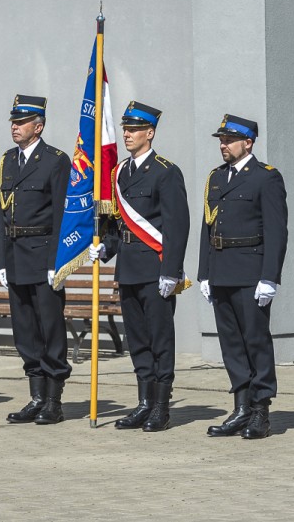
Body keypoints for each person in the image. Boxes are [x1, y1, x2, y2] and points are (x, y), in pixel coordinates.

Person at [89, 101, 190, 432]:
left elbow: (177, 226)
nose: (127, 134)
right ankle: (144, 403)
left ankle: (161, 407)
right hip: (129, 268)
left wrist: (171, 271)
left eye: (134, 129)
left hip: (155, 268)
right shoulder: (120, 172)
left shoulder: (165, 172)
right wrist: (106, 247)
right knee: (138, 340)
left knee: (160, 340)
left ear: (150, 133)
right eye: (125, 129)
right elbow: (119, 225)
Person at [198, 114, 288, 439]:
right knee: (231, 343)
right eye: (221, 140)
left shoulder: (265, 177)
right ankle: (241, 408)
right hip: (221, 269)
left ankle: (260, 410)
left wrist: (270, 277)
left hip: (251, 272)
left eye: (229, 140)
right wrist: (204, 272)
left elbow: (277, 231)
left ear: (247, 143)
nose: (223, 145)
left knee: (255, 340)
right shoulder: (216, 177)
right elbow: (208, 228)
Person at [0, 94, 72, 425]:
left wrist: (58, 261)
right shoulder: (8, 161)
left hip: (43, 256)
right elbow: (2, 213)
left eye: (22, 121)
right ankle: (36, 396)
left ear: (38, 126)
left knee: (50, 329)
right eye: (13, 121)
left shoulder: (55, 161)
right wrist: (1, 259)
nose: (15, 126)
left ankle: (53, 400)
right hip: (16, 256)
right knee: (25, 331)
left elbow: (62, 215)